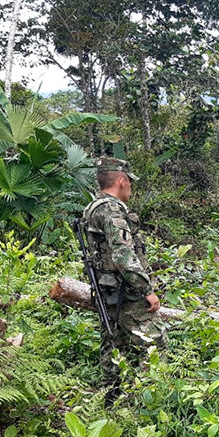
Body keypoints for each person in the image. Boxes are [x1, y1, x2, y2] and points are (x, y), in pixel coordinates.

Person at [81, 157, 167, 406]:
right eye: (129, 182)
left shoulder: (93, 207)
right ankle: (150, 401)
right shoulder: (112, 210)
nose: (130, 187)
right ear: (121, 180)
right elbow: (123, 256)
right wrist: (147, 289)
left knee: (113, 341)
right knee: (156, 341)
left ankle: (112, 397)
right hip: (124, 289)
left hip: (107, 287)